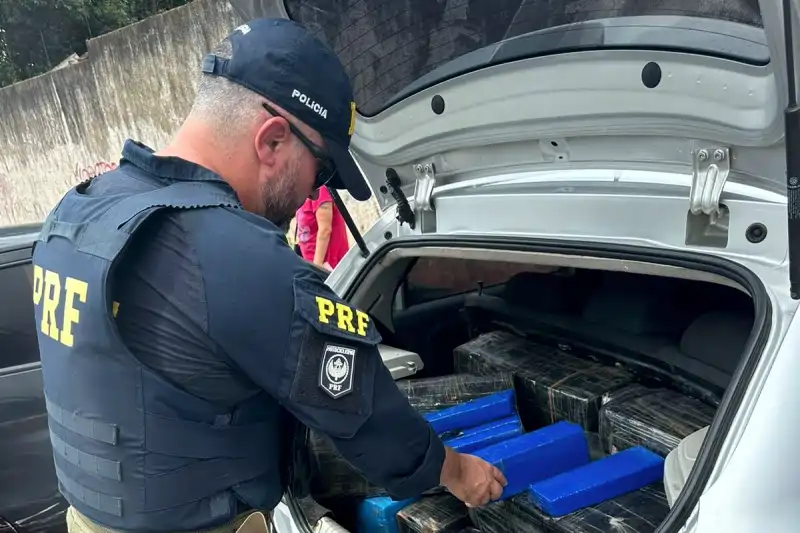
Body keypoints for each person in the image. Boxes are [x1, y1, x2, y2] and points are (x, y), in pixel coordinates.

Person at [30, 18, 506, 533]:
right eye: (321, 169)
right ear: (273, 139)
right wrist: (457, 471)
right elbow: (361, 411)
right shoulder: (232, 254)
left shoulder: (78, 212)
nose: (313, 192)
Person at [295, 186, 349, 270]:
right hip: (314, 265)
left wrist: (318, 265)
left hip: (329, 266)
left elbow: (325, 230)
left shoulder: (319, 190)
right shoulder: (303, 195)